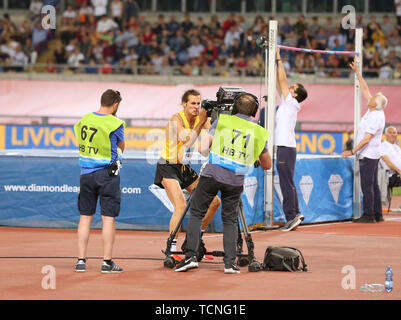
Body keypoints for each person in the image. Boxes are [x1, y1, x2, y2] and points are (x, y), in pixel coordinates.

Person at [175, 92, 272, 274]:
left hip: (212, 175)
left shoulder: (222, 122)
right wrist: (252, 156)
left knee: (196, 213)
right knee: (229, 219)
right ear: (253, 112)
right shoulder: (259, 131)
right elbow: (267, 165)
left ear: (235, 107)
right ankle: (230, 263)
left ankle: (190, 257)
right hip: (235, 181)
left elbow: (203, 150)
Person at [154, 89, 220, 262]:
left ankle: (195, 241)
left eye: (199, 104)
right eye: (193, 103)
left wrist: (214, 126)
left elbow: (208, 145)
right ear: (184, 104)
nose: (197, 107)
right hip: (167, 166)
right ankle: (171, 248)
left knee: (214, 202)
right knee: (181, 206)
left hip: (184, 168)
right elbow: (188, 141)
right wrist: (203, 122)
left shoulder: (200, 119)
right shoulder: (176, 120)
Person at [73, 89, 125, 273]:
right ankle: (107, 262)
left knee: (85, 217)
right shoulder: (115, 123)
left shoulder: (85, 119)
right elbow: (122, 147)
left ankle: (80, 261)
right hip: (107, 175)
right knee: (108, 219)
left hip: (85, 173)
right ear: (115, 105)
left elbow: (80, 139)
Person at [342, 58, 387, 223]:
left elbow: (367, 138)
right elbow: (366, 88)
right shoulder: (374, 110)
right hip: (372, 153)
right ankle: (377, 214)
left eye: (373, 97)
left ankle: (369, 214)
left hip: (368, 154)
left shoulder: (375, 116)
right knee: (373, 184)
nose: (370, 96)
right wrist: (357, 73)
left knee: (367, 185)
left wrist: (352, 151)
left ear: (375, 104)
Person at [275, 48, 308, 232]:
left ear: (295, 94)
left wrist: (279, 58)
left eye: (292, 88)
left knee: (285, 183)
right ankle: (295, 213)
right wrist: (275, 63)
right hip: (286, 147)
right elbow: (279, 83)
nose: (288, 88)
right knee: (288, 182)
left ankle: (291, 216)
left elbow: (282, 80)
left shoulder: (291, 102)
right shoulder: (288, 102)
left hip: (286, 147)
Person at [380, 126, 401, 195]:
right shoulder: (382, 146)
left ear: (397, 135)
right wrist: (399, 171)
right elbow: (388, 163)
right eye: (390, 133)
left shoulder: (397, 147)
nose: (392, 134)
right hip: (390, 175)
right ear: (385, 135)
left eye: (394, 133)